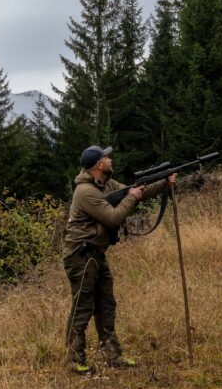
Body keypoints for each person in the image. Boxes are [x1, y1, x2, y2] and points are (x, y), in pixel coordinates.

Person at [62, 145, 175, 374]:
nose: (110, 159)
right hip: (81, 256)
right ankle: (74, 360)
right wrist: (132, 197)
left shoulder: (106, 185)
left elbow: (135, 192)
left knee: (106, 306)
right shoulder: (85, 191)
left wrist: (163, 183)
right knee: (83, 307)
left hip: (95, 254)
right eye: (106, 157)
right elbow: (113, 218)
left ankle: (112, 356)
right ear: (98, 165)